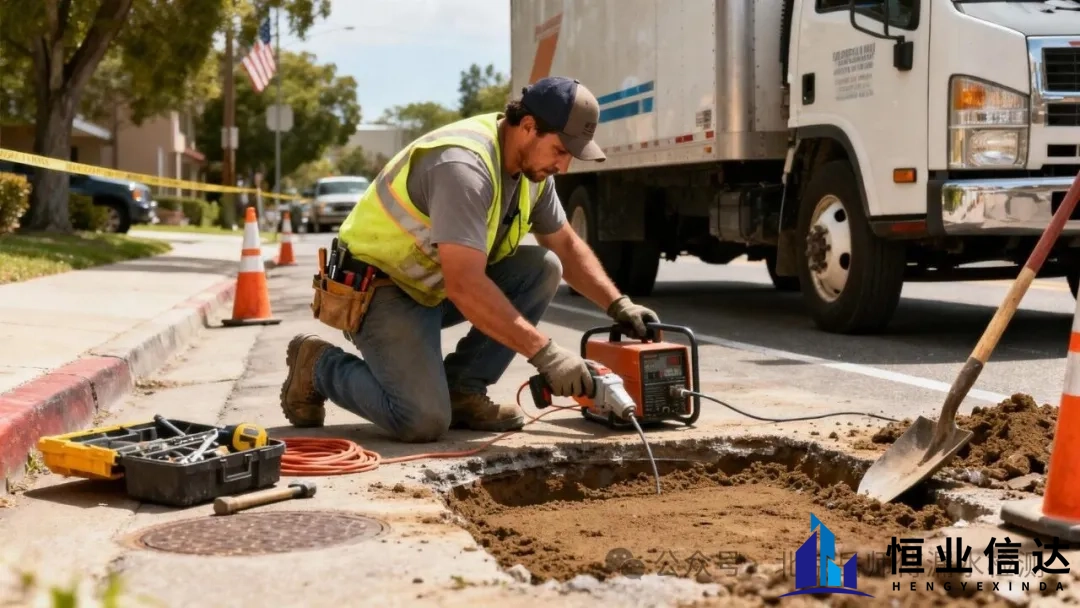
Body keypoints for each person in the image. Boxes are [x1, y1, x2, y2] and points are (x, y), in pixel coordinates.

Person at [279, 76, 660, 442]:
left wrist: (618, 304)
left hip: (432, 285)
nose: (563, 167)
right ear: (528, 126)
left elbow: (565, 244)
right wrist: (547, 355)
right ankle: (317, 365)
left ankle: (463, 389)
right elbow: (465, 286)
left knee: (542, 267)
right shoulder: (463, 166)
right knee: (420, 419)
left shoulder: (534, 174)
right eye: (561, 151)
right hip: (380, 289)